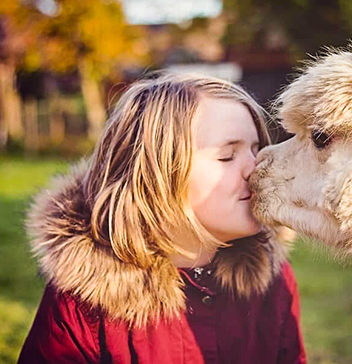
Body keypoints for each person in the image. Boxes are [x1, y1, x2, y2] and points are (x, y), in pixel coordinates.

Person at [18, 73, 306, 363]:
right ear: (155, 176)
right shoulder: (86, 304)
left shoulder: (273, 280)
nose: (254, 169)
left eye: (255, 150)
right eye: (227, 156)